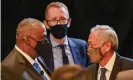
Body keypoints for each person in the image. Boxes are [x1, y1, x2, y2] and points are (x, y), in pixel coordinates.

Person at [41, 2, 90, 72]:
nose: (59, 23)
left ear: (69, 22)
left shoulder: (82, 46)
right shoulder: (40, 49)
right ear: (46, 24)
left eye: (62, 19)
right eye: (54, 20)